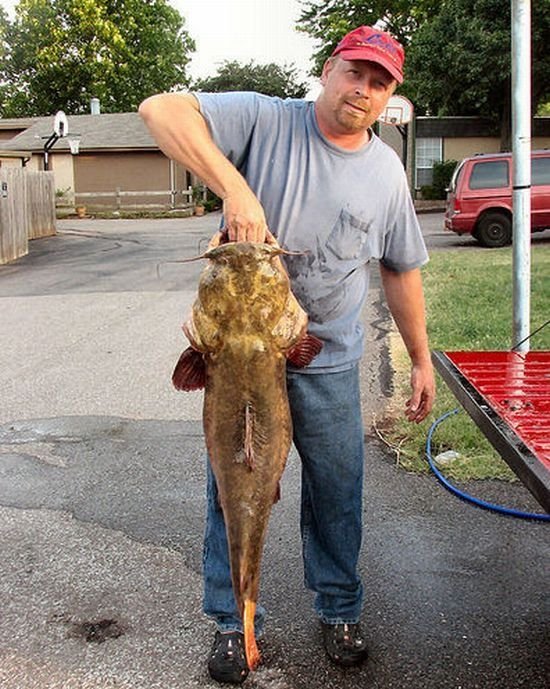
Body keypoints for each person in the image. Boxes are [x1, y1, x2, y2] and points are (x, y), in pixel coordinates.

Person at [140, 25, 435, 684]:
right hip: (237, 361)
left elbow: (401, 268)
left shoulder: (386, 172)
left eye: (379, 82)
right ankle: (231, 620)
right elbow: (160, 110)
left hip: (324, 354)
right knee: (231, 487)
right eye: (355, 71)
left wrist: (420, 356)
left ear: (389, 96)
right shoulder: (266, 121)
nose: (363, 89)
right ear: (330, 70)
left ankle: (340, 609)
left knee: (338, 492)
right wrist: (235, 189)